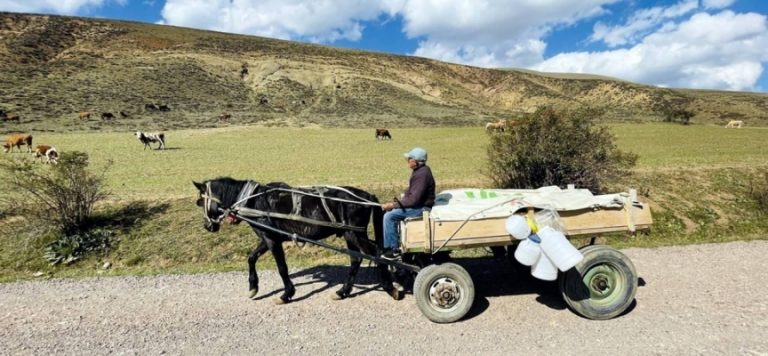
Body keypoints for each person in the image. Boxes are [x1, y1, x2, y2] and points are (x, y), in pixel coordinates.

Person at [381, 147, 436, 260]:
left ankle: (394, 250)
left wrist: (393, 205)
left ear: (415, 161)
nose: (407, 161)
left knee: (389, 217)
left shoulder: (422, 175)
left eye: (409, 159)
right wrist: (396, 203)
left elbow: (414, 200)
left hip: (422, 208)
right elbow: (411, 193)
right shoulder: (420, 171)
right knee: (391, 213)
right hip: (419, 205)